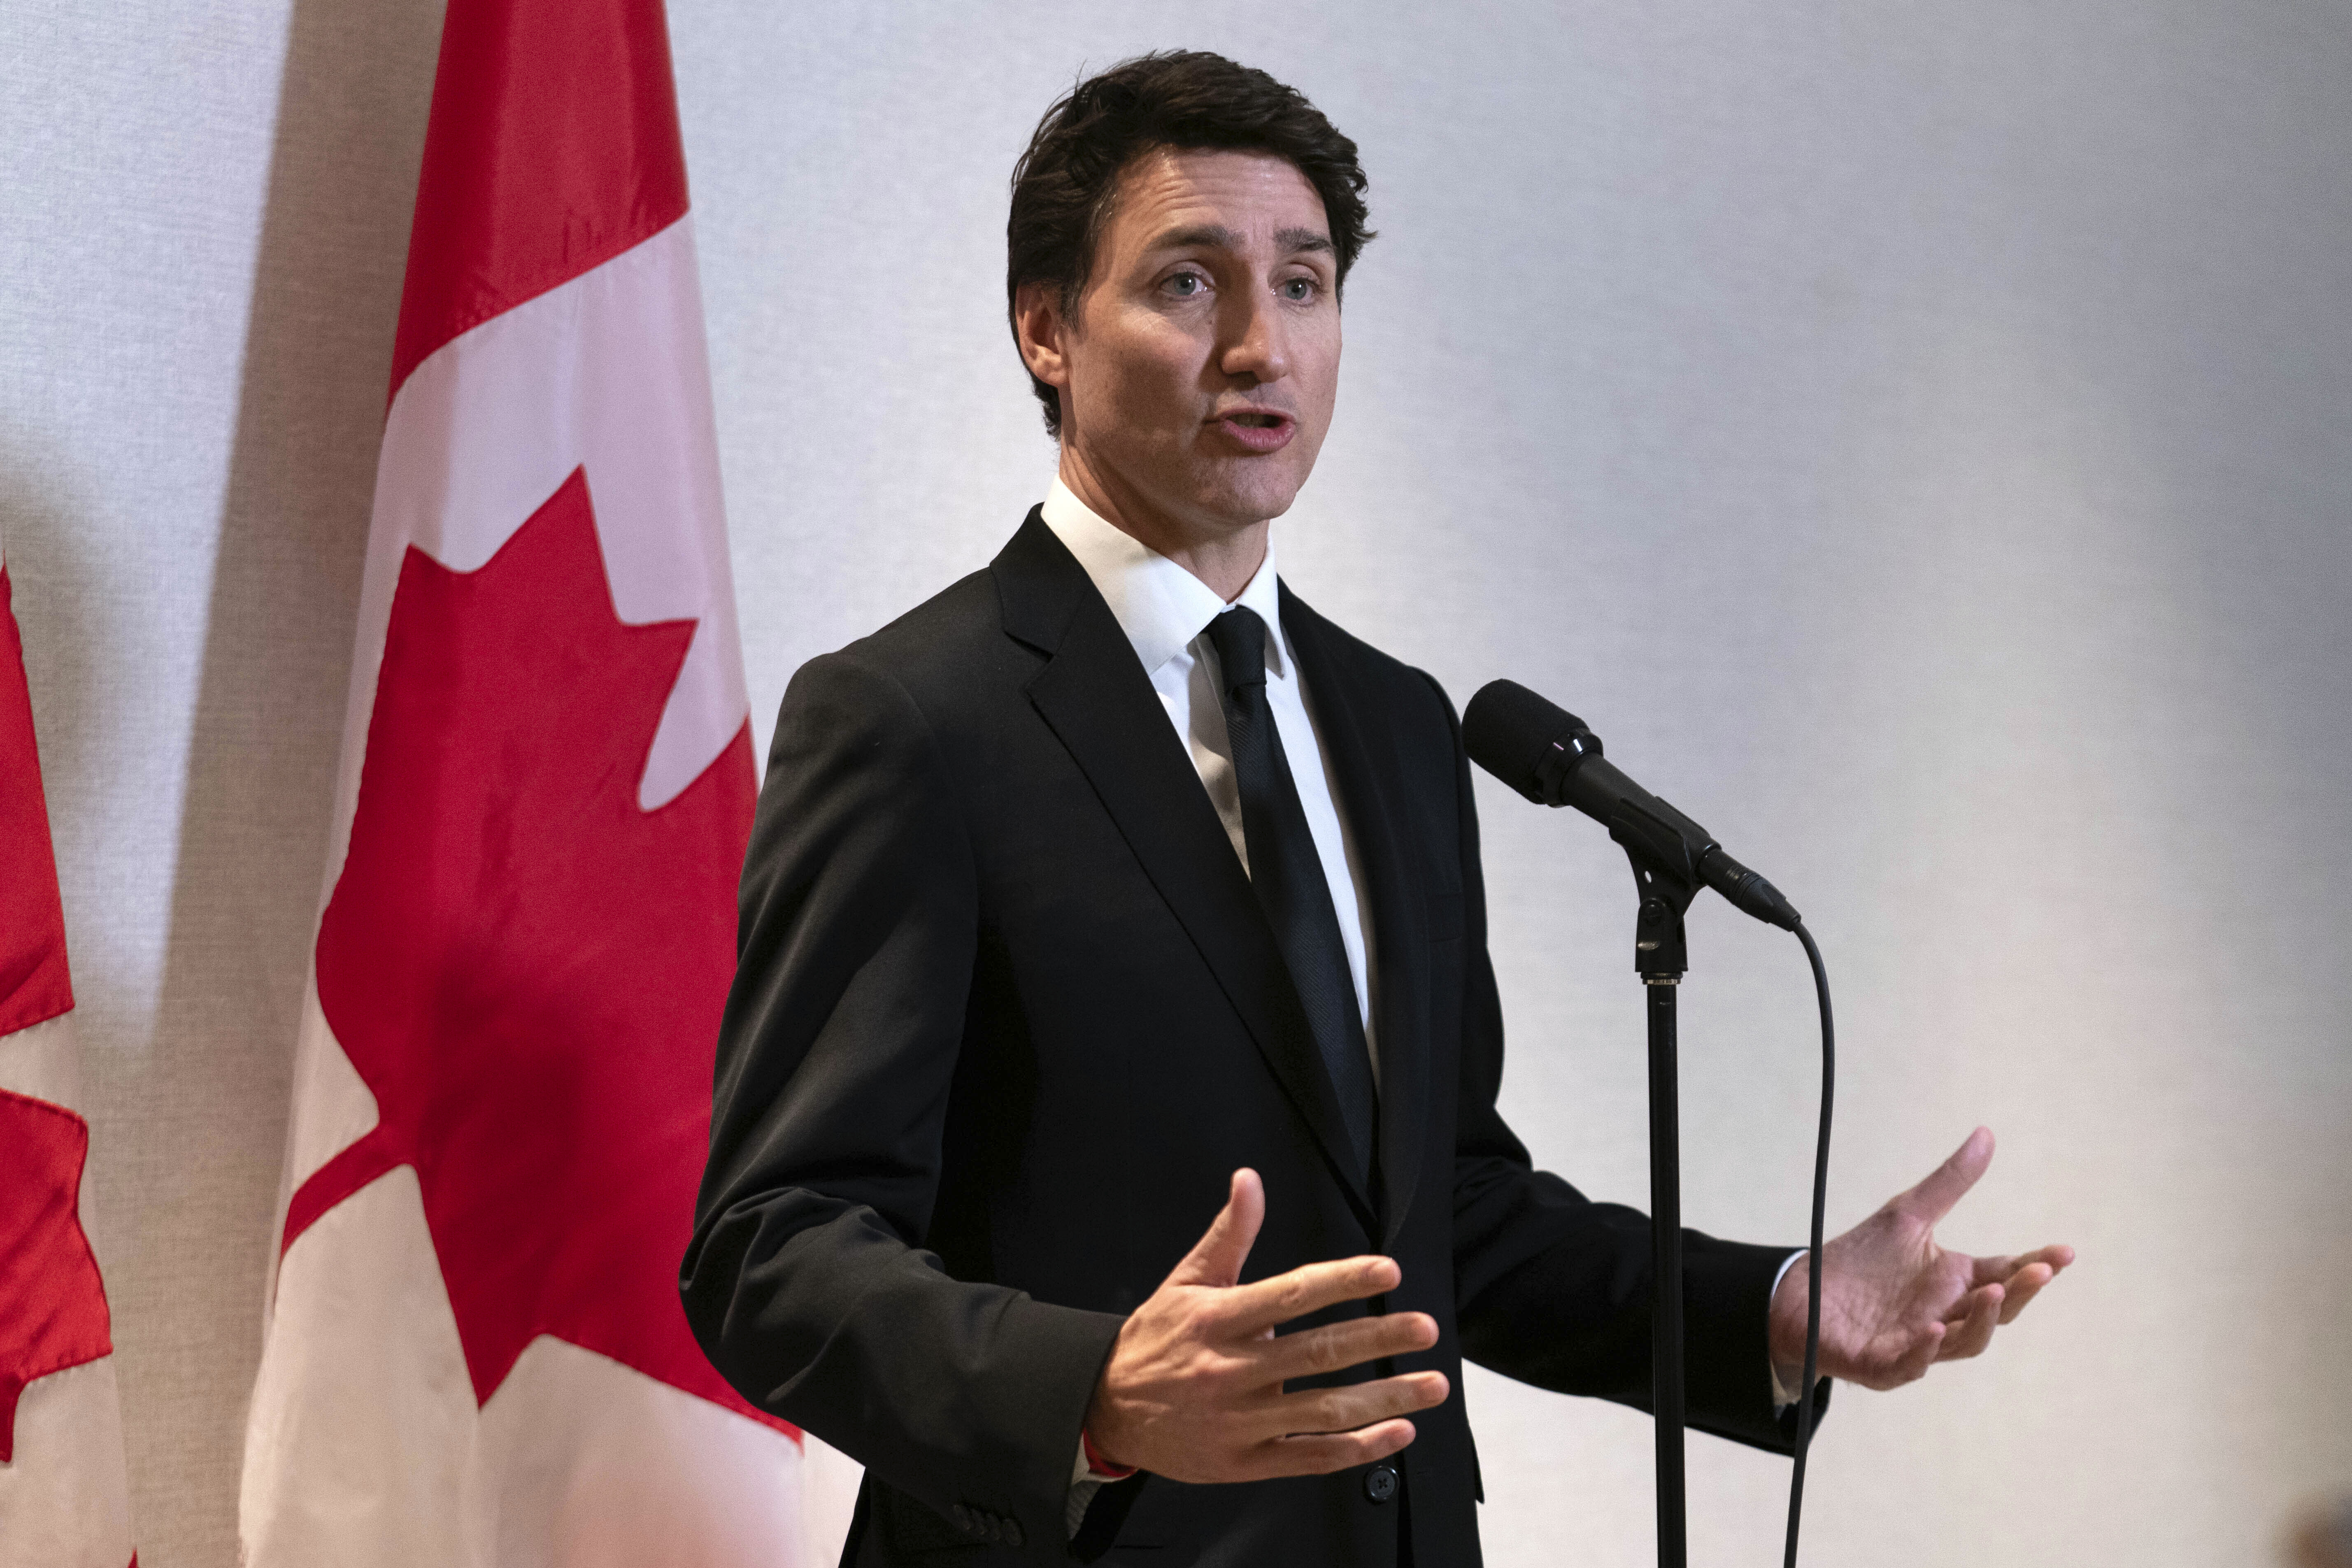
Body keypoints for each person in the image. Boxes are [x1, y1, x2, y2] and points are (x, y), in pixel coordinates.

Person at [680, 50, 2074, 1566]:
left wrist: (1775, 1310)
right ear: (1044, 331)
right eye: (1188, 285)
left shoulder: (1397, 721)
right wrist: (1088, 1392)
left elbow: (1446, 1204)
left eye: (1304, 283)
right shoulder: (911, 718)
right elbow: (776, 1246)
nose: (1260, 348)